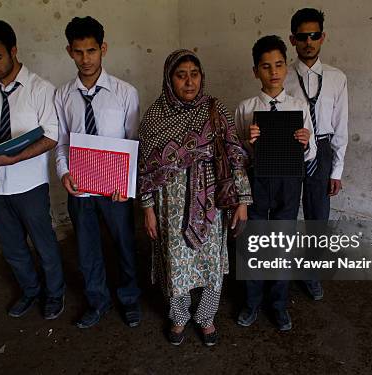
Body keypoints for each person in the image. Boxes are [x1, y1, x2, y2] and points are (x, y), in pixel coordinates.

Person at [138, 49, 252, 346]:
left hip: (211, 203)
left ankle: (206, 317)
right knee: (176, 262)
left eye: (194, 74)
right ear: (168, 79)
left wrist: (242, 201)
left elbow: (235, 155)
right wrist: (148, 208)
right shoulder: (154, 118)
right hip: (169, 207)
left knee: (211, 263)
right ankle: (178, 317)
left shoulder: (215, 110)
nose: (189, 82)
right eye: (181, 75)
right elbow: (145, 169)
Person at [0, 20, 65, 319]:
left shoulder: (40, 88)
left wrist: (16, 158)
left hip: (29, 185)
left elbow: (51, 136)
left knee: (44, 244)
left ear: (13, 50)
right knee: (12, 248)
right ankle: (30, 290)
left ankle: (54, 294)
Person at [54, 16, 141, 329]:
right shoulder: (61, 96)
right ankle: (97, 301)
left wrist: (127, 185)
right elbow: (62, 142)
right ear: (69, 52)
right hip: (80, 187)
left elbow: (133, 142)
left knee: (124, 245)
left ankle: (130, 299)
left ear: (103, 49)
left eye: (91, 50)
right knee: (87, 249)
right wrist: (64, 173)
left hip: (115, 189)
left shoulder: (125, 92)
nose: (85, 58)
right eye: (78, 52)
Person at [235, 35, 316, 331]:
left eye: (279, 64)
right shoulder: (245, 108)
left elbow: (312, 153)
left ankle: (278, 305)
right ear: (255, 71)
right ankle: (252, 302)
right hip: (257, 182)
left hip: (289, 183)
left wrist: (306, 143)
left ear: (286, 67)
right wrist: (248, 142)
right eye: (266, 66)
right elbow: (237, 157)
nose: (273, 72)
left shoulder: (298, 106)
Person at [285, 8, 349, 301]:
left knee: (317, 215)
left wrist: (336, 170)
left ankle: (310, 274)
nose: (308, 42)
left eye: (314, 35)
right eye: (302, 36)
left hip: (321, 149)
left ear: (323, 37)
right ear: (292, 40)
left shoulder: (337, 78)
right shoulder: (281, 75)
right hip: (288, 146)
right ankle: (280, 273)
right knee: (283, 212)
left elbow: (340, 126)